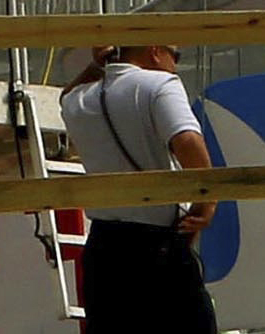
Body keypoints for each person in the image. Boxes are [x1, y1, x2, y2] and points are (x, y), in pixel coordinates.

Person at [63, 36, 219, 334]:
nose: (176, 66)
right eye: (177, 55)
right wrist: (206, 201)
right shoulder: (160, 85)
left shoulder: (77, 101)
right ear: (155, 50)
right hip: (157, 246)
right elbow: (186, 140)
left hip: (105, 248)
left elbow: (66, 95)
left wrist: (98, 65)